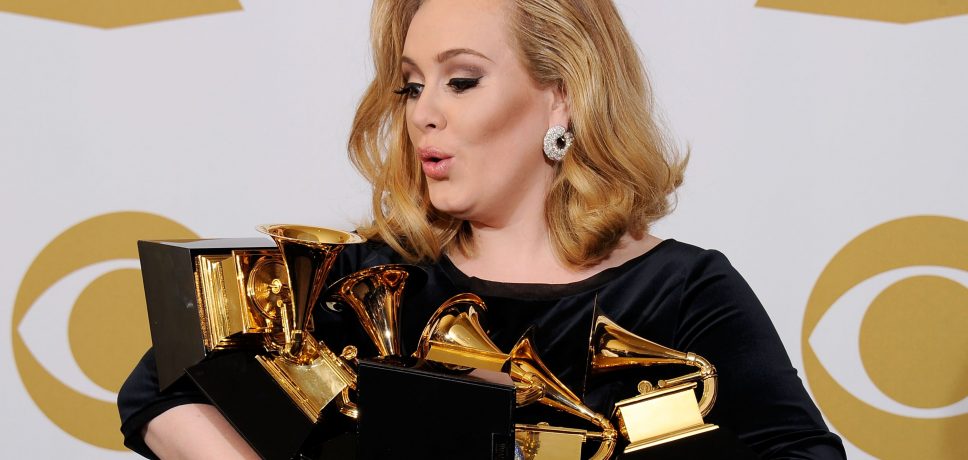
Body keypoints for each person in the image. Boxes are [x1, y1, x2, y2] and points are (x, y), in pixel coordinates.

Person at [119, 0, 847, 458]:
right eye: (412, 85)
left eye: (461, 80)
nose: (423, 113)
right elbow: (161, 383)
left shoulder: (683, 290)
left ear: (563, 97)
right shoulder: (370, 279)